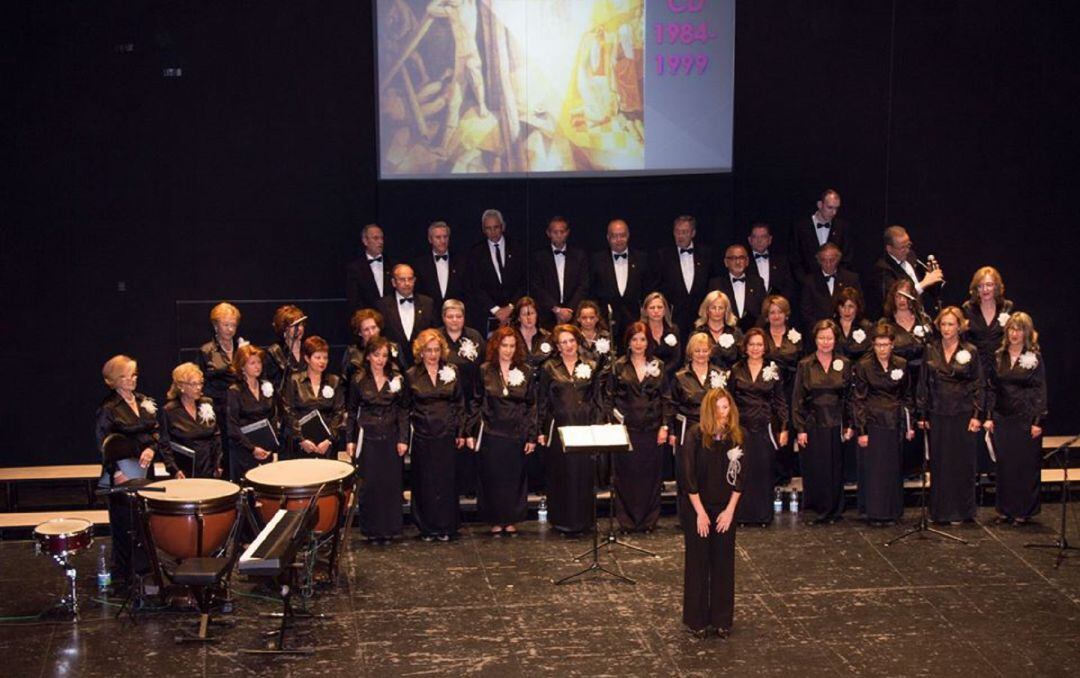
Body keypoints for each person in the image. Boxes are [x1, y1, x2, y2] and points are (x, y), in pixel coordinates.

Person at [679, 387, 744, 639]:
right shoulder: (695, 436)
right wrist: (700, 513)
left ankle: (721, 620)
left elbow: (741, 479)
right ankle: (696, 620)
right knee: (697, 562)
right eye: (717, 408)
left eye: (726, 407)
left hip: (725, 509)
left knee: (723, 562)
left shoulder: (737, 437)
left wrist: (729, 511)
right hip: (698, 508)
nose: (722, 413)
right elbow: (688, 477)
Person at [95, 355, 160, 585]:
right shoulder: (109, 408)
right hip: (121, 470)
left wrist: (151, 448)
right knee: (124, 524)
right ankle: (124, 576)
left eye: (133, 375)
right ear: (113, 380)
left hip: (144, 469)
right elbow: (104, 444)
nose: (131, 380)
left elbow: (155, 431)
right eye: (125, 376)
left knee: (144, 520)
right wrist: (116, 472)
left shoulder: (143, 400)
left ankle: (145, 572)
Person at [917, 307, 985, 525]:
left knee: (961, 463)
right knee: (940, 463)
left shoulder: (970, 351)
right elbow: (923, 382)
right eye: (943, 324)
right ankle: (940, 511)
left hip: (962, 412)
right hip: (938, 413)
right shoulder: (931, 349)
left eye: (951, 324)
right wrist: (922, 413)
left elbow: (978, 384)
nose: (946, 328)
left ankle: (961, 511)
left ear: (959, 326)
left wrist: (977, 414)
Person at [537, 324, 605, 535]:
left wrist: (598, 425)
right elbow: (542, 401)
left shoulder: (591, 365)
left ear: (577, 342)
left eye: (571, 341)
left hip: (584, 426)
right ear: (557, 346)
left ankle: (585, 520)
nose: (568, 346)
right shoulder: (549, 367)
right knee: (561, 473)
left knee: (583, 474)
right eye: (563, 342)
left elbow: (597, 399)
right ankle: (561, 520)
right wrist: (540, 430)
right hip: (559, 428)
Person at [405, 329, 469, 541]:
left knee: (446, 482)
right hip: (423, 436)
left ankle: (446, 526)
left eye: (436, 350)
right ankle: (427, 527)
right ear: (421, 352)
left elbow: (460, 403)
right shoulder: (411, 375)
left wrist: (461, 431)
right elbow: (405, 407)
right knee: (425, 482)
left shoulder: (452, 370)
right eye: (428, 350)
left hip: (447, 435)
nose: (433, 354)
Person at [472, 327, 538, 535]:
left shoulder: (525, 370)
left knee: (514, 478)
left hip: (517, 433)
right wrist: (472, 431)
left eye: (512, 346)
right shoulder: (485, 370)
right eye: (504, 346)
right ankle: (495, 519)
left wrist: (531, 435)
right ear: (496, 346)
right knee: (492, 478)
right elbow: (476, 402)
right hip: (492, 433)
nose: (508, 350)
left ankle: (511, 519)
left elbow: (532, 405)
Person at [984, 312, 1046, 524]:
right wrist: (989, 416)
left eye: (1019, 329)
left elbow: (1040, 390)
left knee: (1024, 467)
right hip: (1002, 417)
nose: (1014, 333)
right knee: (1005, 467)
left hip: (1025, 418)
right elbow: (991, 388)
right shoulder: (998, 356)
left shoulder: (1034, 358)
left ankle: (1023, 510)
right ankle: (1004, 509)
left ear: (1026, 333)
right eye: (1011, 329)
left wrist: (1037, 421)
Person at [346, 336, 409, 543]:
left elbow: (403, 410)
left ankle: (391, 529)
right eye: (376, 355)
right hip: (368, 439)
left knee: (390, 485)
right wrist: (350, 440)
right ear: (368, 356)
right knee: (370, 486)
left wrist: (403, 438)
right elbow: (352, 411)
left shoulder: (397, 378)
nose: (380, 360)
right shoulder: (358, 379)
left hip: (391, 437)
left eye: (384, 355)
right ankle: (372, 531)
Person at [606, 322, 668, 532]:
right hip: (626, 431)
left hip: (652, 430)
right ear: (628, 342)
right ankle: (627, 521)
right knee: (625, 477)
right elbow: (609, 398)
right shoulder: (618, 366)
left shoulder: (658, 365)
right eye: (634, 339)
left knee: (650, 477)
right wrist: (614, 425)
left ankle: (649, 521)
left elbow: (666, 398)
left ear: (648, 341)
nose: (639, 343)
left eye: (643, 339)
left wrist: (665, 426)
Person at [851, 322, 915, 525]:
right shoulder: (864, 366)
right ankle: (874, 512)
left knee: (893, 469)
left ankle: (892, 511)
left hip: (895, 422)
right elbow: (859, 400)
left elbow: (907, 395)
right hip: (873, 422)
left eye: (885, 345)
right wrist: (862, 430)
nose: (882, 349)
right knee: (875, 470)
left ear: (892, 344)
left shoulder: (901, 364)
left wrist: (910, 424)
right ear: (873, 345)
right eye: (878, 345)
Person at [791, 320, 853, 524]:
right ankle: (814, 511)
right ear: (815, 339)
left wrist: (849, 424)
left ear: (835, 340)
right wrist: (800, 428)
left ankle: (835, 511)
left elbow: (849, 397)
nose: (825, 342)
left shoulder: (844, 363)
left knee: (835, 469)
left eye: (829, 338)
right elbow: (798, 398)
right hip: (812, 424)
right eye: (821, 338)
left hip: (836, 424)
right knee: (814, 469)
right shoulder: (805, 364)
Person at [728, 329, 788, 526]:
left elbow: (780, 401)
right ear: (745, 347)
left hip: (765, 427)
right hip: (741, 428)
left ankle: (763, 516)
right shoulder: (736, 369)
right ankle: (742, 515)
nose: (755, 348)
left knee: (764, 470)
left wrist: (784, 427)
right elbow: (729, 400)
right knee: (742, 470)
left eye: (759, 344)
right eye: (752, 344)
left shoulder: (773, 369)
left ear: (765, 347)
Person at [439, 298, 485, 497]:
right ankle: (451, 488)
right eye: (450, 316)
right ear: (443, 317)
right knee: (453, 442)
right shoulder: (436, 338)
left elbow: (485, 364)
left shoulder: (474, 336)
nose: (455, 320)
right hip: (447, 401)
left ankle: (471, 487)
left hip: (472, 397)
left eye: (458, 316)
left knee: (471, 442)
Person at [280, 336, 346, 460]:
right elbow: (288, 411)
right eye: (318, 357)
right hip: (301, 443)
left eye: (325, 358)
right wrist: (301, 439)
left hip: (327, 444)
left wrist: (329, 439)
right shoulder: (294, 380)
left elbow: (339, 412)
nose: (322, 361)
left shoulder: (334, 381)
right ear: (307, 358)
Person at [760, 295, 801, 485]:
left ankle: (785, 475)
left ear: (786, 314)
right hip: (767, 391)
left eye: (780, 312)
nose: (776, 316)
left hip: (790, 390)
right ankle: (769, 475)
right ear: (767, 315)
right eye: (772, 312)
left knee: (787, 431)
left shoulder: (796, 336)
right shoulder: (760, 336)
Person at [590, 219, 652, 341]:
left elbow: (647, 290)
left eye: (622, 235)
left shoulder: (642, 259)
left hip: (635, 323)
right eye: (614, 236)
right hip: (606, 323)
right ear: (608, 238)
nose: (619, 240)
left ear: (628, 236)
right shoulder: (596, 260)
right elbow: (592, 292)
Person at [465, 209, 526, 333]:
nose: (493, 232)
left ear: (503, 227)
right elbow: (475, 286)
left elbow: (524, 281)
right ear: (483, 230)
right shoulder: (475, 253)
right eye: (488, 228)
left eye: (496, 227)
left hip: (515, 313)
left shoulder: (518, 249)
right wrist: (495, 310)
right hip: (487, 314)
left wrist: (510, 307)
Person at [655, 215, 715, 339]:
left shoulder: (706, 254)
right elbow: (657, 287)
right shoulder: (663, 256)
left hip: (701, 317)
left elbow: (711, 284)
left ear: (693, 233)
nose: (680, 236)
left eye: (685, 232)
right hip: (673, 318)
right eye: (677, 232)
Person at [160, 362, 223, 478]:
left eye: (200, 383)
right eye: (194, 384)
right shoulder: (170, 411)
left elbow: (216, 436)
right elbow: (165, 445)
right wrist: (174, 470)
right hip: (185, 471)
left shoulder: (207, 403)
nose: (198, 387)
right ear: (181, 386)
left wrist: (218, 464)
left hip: (209, 468)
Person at [868, 225, 945, 319]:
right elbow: (896, 298)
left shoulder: (911, 256)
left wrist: (934, 278)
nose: (907, 250)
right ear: (889, 248)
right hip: (901, 319)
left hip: (922, 314)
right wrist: (924, 283)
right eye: (902, 248)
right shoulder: (882, 269)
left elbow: (929, 289)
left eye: (908, 245)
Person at [226, 344, 278, 481]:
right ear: (242, 367)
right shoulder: (235, 391)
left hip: (266, 449)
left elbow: (273, 416)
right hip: (245, 451)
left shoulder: (266, 386)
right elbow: (232, 426)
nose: (257, 366)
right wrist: (252, 448)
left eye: (259, 362)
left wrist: (272, 446)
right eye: (252, 363)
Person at [530, 216, 589, 329]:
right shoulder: (539, 257)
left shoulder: (579, 256)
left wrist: (570, 310)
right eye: (555, 232)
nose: (559, 235)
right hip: (547, 314)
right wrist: (556, 309)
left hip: (574, 314)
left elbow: (583, 285)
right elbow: (537, 287)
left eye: (562, 232)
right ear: (548, 233)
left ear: (567, 232)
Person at [376, 263, 435, 369]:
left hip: (422, 365)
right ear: (393, 282)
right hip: (393, 365)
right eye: (402, 279)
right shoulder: (382, 306)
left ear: (414, 280)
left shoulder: (427, 303)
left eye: (410, 279)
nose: (407, 283)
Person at [791, 188, 854, 279]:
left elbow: (846, 257)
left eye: (836, 208)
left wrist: (836, 279)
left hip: (834, 281)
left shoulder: (842, 227)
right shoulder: (801, 227)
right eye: (830, 207)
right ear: (820, 205)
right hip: (807, 282)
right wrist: (805, 281)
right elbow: (795, 258)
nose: (834, 213)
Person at [799, 242, 862, 327]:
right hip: (820, 330)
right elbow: (806, 312)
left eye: (832, 260)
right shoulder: (810, 281)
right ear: (819, 261)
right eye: (824, 260)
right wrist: (822, 329)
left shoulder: (851, 279)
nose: (828, 264)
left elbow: (859, 306)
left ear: (838, 259)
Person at [708, 244, 765, 332]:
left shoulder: (757, 283)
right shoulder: (716, 284)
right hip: (725, 334)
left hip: (753, 334)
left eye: (741, 258)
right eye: (733, 258)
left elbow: (763, 311)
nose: (738, 262)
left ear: (747, 261)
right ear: (726, 262)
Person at [412, 220, 466, 312]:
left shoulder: (461, 261)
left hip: (455, 315)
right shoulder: (419, 264)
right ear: (430, 239)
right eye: (438, 237)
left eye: (445, 237)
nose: (443, 241)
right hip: (429, 314)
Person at [342, 308, 404, 386]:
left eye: (374, 328)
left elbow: (404, 375)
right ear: (360, 333)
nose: (371, 333)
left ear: (379, 328)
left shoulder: (394, 348)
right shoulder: (352, 352)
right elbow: (344, 382)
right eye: (366, 330)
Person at [690, 290, 743, 372]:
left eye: (720, 308)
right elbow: (689, 360)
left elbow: (742, 360)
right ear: (707, 310)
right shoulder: (697, 333)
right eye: (713, 308)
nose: (717, 311)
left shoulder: (735, 333)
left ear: (726, 310)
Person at [346, 223, 394, 312]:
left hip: (391, 316)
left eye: (382, 238)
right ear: (365, 241)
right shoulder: (355, 268)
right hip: (367, 316)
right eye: (376, 238)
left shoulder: (392, 264)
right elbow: (354, 299)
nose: (381, 242)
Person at [264, 304, 307, 393]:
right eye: (294, 326)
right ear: (284, 328)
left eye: (301, 325)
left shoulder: (309, 348)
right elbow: (274, 384)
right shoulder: (274, 352)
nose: (299, 329)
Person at [747, 222, 795, 300]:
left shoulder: (781, 262)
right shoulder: (744, 262)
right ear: (750, 240)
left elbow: (788, 286)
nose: (759, 240)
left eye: (763, 237)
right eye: (755, 237)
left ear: (769, 240)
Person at [642, 292, 682, 382]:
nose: (656, 311)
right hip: (646, 377)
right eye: (652, 308)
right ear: (646, 311)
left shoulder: (673, 330)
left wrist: (662, 373)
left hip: (670, 377)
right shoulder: (641, 332)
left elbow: (676, 358)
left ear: (665, 310)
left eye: (659, 307)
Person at [511, 296, 555, 371]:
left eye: (532, 313)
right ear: (518, 318)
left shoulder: (547, 337)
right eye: (524, 314)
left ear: (536, 315)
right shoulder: (511, 337)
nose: (529, 318)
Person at [834, 286, 874, 362]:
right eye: (843, 306)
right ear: (838, 307)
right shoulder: (831, 326)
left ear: (857, 307)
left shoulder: (867, 327)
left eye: (851, 306)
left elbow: (869, 354)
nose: (846, 310)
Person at [574, 300, 613, 368]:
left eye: (592, 317)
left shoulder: (606, 336)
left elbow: (610, 359)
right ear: (578, 319)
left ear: (597, 318)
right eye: (584, 318)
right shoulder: (573, 336)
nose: (588, 321)